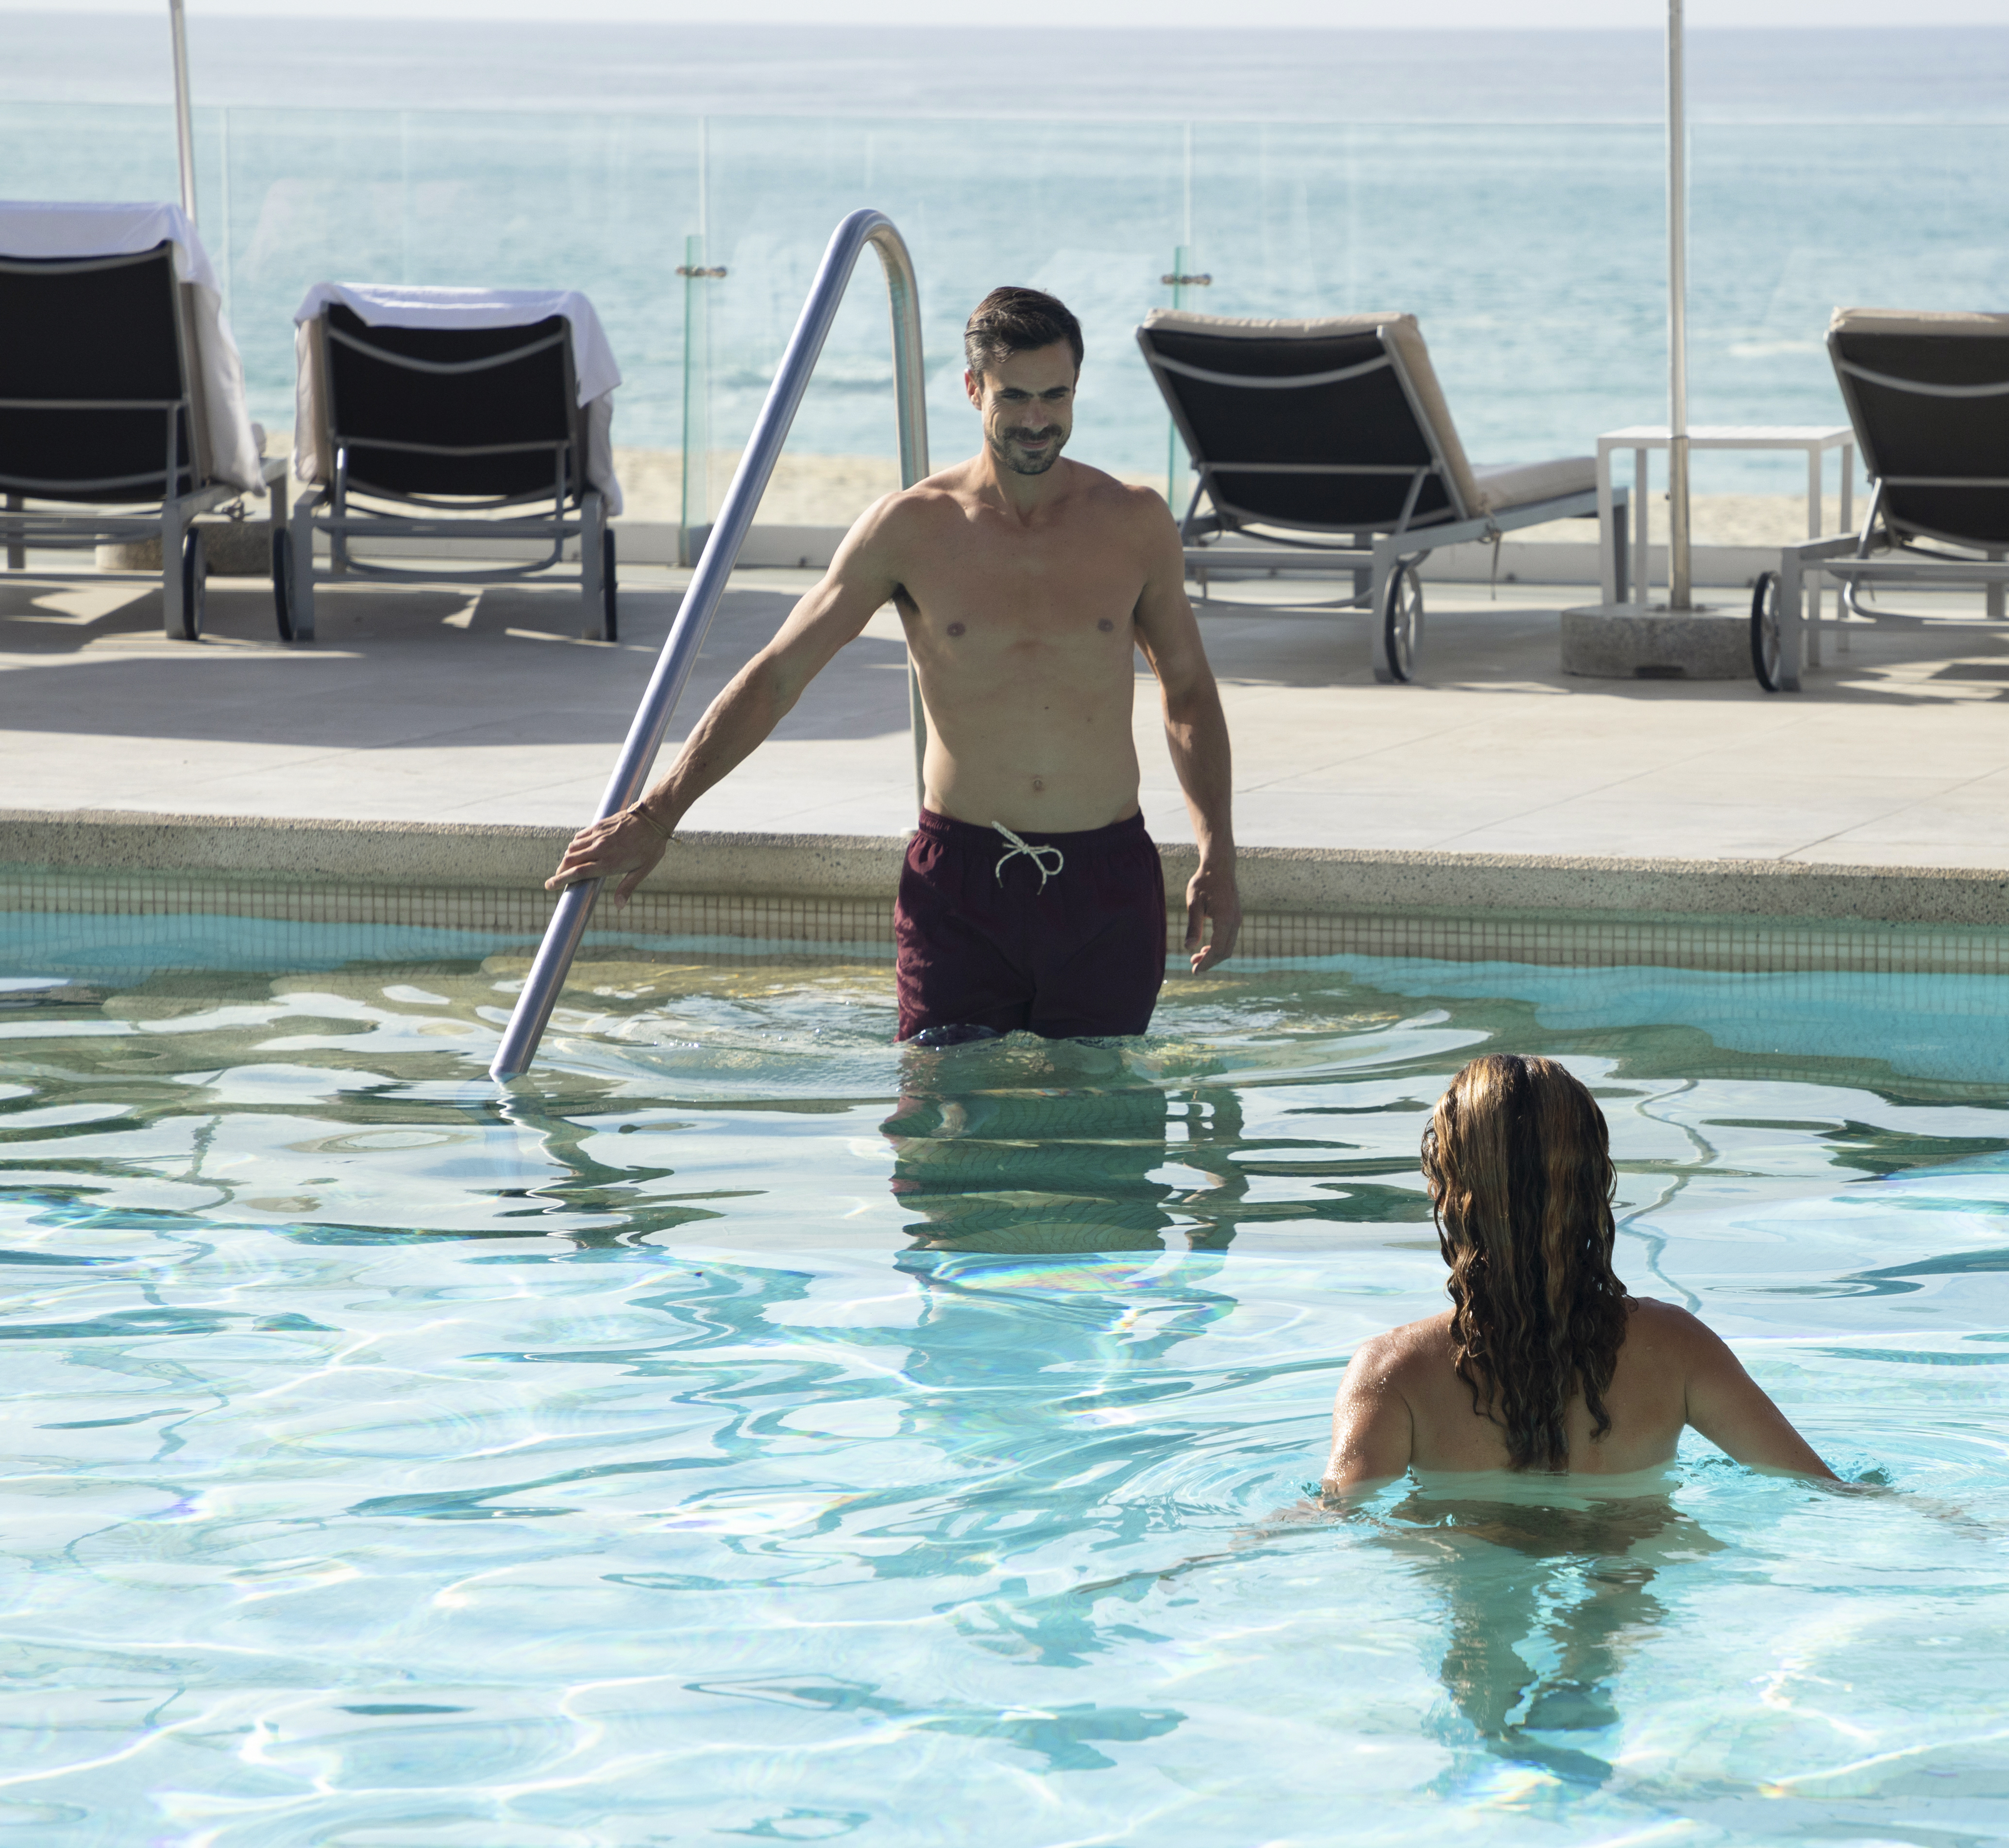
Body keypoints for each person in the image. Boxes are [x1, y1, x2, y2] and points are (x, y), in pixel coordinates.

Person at [545, 285, 1237, 1045]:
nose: (1038, 419)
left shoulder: (1134, 524)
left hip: (1105, 882)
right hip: (962, 882)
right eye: (1014, 396)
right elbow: (780, 674)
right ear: (973, 388)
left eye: (1055, 395)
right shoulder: (911, 528)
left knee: (1102, 1140)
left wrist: (1217, 853)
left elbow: (1188, 695)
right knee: (942, 1140)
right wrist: (658, 814)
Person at [1322, 1053, 1837, 1494]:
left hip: (1472, 1553)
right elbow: (1823, 1488)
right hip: (1629, 1552)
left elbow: (1338, 1517)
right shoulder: (1677, 1349)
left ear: (1448, 1191)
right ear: (1595, 1188)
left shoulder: (1394, 1372)